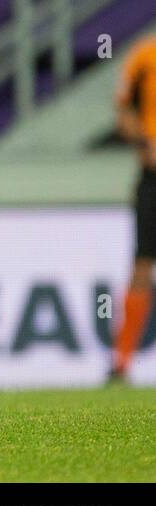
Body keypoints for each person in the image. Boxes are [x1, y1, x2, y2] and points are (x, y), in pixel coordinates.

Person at [111, 35, 156, 383]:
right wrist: (144, 141)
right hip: (152, 176)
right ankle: (123, 362)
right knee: (143, 264)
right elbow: (123, 108)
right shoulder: (144, 55)